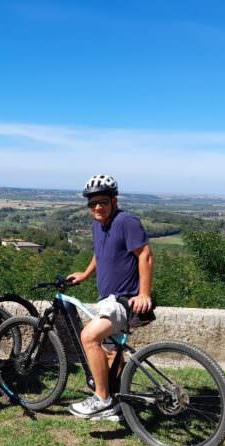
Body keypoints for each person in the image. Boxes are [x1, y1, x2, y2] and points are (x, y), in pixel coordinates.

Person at [65, 174, 154, 420]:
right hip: (107, 299)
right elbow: (100, 253)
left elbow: (145, 255)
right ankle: (115, 403)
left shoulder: (126, 221)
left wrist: (144, 293)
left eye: (102, 202)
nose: (97, 207)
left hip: (123, 300)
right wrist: (84, 274)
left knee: (89, 337)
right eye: (92, 203)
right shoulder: (98, 225)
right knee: (111, 351)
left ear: (114, 200)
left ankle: (101, 399)